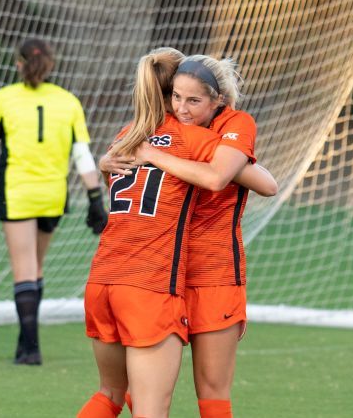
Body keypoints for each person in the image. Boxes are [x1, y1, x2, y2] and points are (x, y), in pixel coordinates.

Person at [78, 48, 274, 418]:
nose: (183, 108)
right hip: (158, 277)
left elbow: (252, 182)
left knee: (197, 393)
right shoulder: (175, 137)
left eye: (194, 100)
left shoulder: (141, 135)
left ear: (218, 100)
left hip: (206, 274)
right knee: (149, 398)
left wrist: (139, 156)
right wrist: (122, 159)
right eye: (176, 97)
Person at [0, 38, 107, 365]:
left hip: (17, 193)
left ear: (18, 64)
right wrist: (95, 199)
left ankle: (31, 349)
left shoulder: (4, 98)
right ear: (50, 65)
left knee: (24, 269)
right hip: (53, 196)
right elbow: (82, 155)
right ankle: (25, 344)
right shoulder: (68, 102)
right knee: (36, 266)